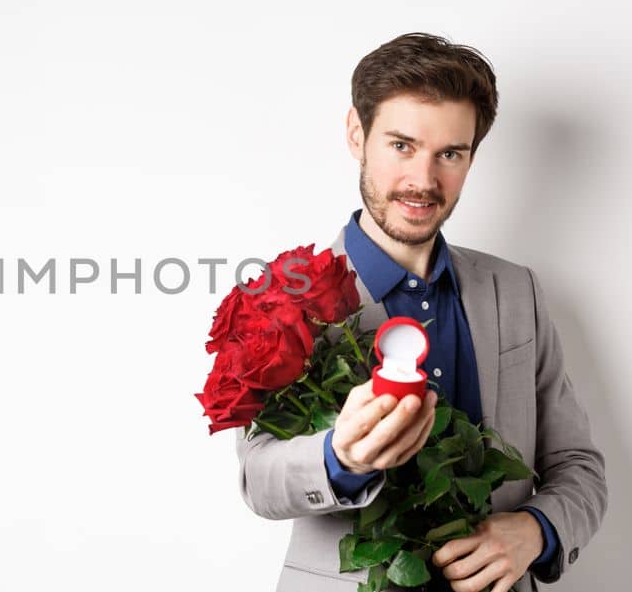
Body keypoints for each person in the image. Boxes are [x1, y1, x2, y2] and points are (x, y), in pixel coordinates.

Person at [234, 32, 608, 592]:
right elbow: (257, 478)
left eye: (450, 154)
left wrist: (535, 529)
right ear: (357, 136)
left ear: (471, 156)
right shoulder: (284, 297)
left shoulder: (517, 290)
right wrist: (340, 458)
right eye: (402, 146)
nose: (423, 181)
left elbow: (578, 465)